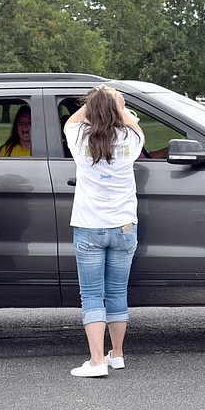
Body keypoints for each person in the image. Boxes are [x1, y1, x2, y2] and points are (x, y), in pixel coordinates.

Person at [64, 85, 145, 378]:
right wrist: (117, 104)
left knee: (92, 295)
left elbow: (70, 122)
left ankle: (96, 360)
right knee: (117, 292)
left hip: (89, 225)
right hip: (124, 225)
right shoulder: (131, 138)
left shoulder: (79, 138)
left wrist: (97, 100)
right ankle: (118, 354)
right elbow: (133, 124)